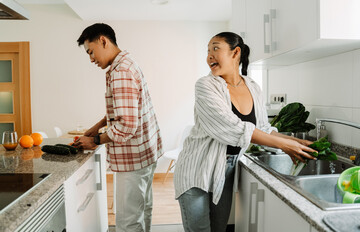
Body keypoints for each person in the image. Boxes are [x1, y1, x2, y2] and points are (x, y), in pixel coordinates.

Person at [173, 32, 317, 232]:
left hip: (227, 170)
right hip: (196, 168)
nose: (209, 56)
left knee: (219, 229)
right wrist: (285, 145)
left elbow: (263, 129)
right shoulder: (205, 85)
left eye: (215, 48)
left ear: (236, 52)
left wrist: (297, 143)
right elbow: (230, 127)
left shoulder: (253, 87)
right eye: (207, 51)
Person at [75, 23, 163, 232]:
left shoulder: (120, 72)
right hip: (146, 152)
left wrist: (95, 140)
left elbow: (126, 125)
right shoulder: (127, 62)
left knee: (128, 222)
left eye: (91, 51)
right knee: (143, 209)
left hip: (132, 159)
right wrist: (98, 126)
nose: (91, 59)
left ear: (103, 41)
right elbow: (125, 109)